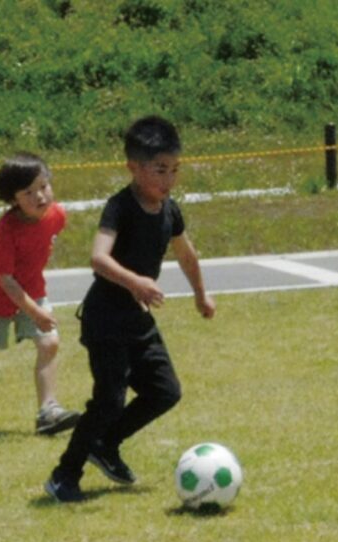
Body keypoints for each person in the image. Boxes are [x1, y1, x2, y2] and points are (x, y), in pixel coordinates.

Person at [45, 115, 216, 503]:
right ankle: (63, 475)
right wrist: (136, 282)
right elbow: (98, 258)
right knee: (108, 399)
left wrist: (201, 295)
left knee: (165, 391)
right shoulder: (119, 207)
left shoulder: (170, 210)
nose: (169, 179)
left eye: (175, 169)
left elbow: (187, 255)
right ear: (133, 168)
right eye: (160, 170)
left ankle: (105, 444)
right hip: (105, 318)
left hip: (136, 320)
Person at [0, 153, 79, 436]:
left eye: (44, 186)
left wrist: (36, 304)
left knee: (49, 343)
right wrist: (35, 312)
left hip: (32, 289)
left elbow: (46, 242)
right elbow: (5, 279)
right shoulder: (6, 230)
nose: (40, 196)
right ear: (13, 200)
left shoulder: (56, 215)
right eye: (29, 192)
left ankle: (48, 411)